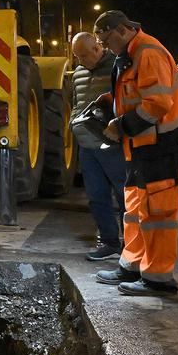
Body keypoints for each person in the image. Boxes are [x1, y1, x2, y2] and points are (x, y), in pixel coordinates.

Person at [91, 9, 178, 296]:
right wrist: (110, 101)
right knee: (136, 206)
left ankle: (158, 278)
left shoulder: (146, 52)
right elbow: (137, 93)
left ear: (122, 30)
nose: (108, 47)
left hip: (162, 143)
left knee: (158, 210)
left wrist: (121, 125)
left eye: (108, 40)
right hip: (143, 142)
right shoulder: (130, 52)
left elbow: (158, 103)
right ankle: (133, 264)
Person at [70, 31, 128, 262]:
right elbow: (76, 101)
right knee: (96, 196)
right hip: (87, 145)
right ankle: (109, 242)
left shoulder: (118, 67)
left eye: (84, 55)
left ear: (97, 48)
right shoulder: (78, 73)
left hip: (113, 143)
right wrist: (74, 121)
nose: (81, 61)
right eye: (77, 57)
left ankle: (131, 245)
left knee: (125, 195)